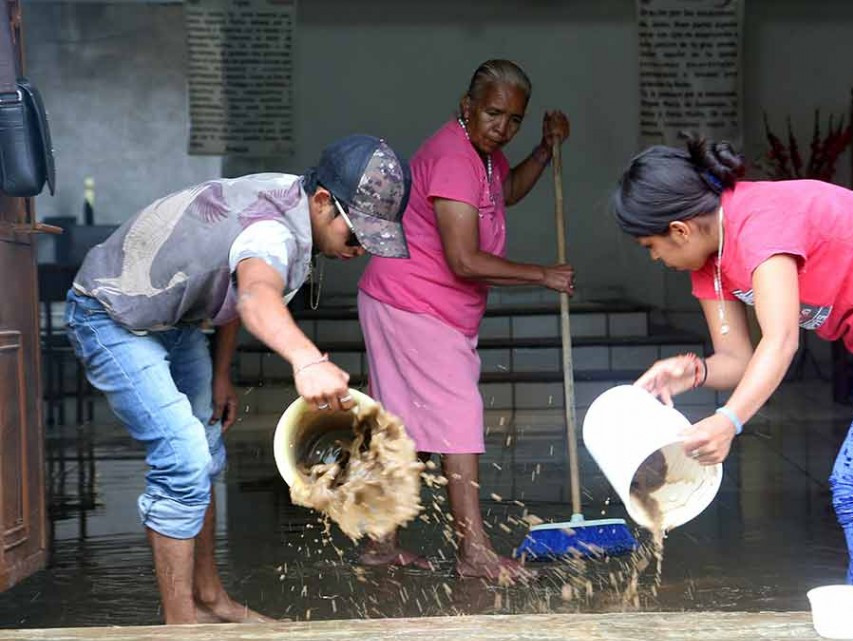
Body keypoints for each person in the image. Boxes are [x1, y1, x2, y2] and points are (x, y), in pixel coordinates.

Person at [611, 136, 853, 610]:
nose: (655, 258)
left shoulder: (761, 222)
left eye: (651, 246)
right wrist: (691, 372)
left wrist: (729, 421)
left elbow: (782, 339)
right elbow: (739, 359)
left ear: (680, 230)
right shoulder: (708, 267)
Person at [64, 134, 412, 624]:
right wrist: (307, 360)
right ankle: (181, 624)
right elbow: (254, 295)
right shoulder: (273, 233)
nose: (360, 251)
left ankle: (210, 599)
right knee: (183, 459)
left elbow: (231, 288)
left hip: (178, 319)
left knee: (206, 450)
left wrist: (222, 372)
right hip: (112, 315)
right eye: (357, 236)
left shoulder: (292, 199)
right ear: (321, 202)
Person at [356, 59, 572, 581]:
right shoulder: (454, 156)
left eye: (515, 120)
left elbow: (506, 193)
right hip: (413, 303)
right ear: (466, 107)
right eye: (494, 113)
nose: (503, 128)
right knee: (457, 418)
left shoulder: (484, 155)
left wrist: (544, 151)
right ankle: (473, 553)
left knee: (404, 428)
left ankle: (380, 545)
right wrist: (543, 274)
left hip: (416, 303)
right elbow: (464, 260)